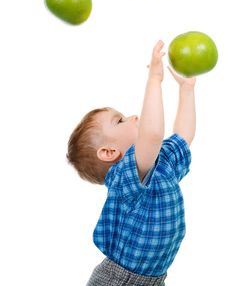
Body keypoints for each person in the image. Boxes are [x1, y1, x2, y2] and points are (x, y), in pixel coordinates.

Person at [67, 40, 196, 285]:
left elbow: (183, 136)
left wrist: (186, 90)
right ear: (109, 152)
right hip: (118, 281)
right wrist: (154, 80)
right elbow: (152, 134)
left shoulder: (161, 164)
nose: (134, 116)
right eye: (120, 120)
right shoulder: (124, 176)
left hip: (154, 280)